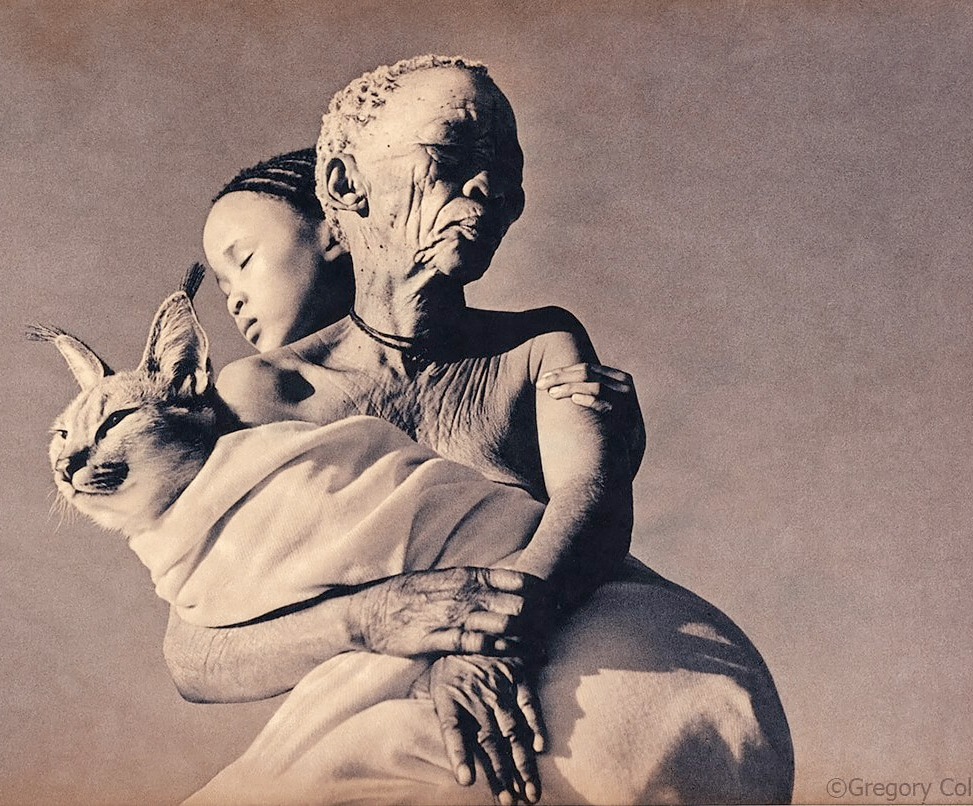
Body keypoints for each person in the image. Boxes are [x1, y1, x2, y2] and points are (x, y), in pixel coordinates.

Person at [166, 55, 793, 805]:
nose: (489, 190)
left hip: (588, 691)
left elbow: (592, 501)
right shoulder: (260, 395)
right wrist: (371, 618)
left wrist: (485, 640)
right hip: (395, 730)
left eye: (508, 174)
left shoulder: (540, 346)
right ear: (346, 185)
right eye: (452, 156)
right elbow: (195, 653)